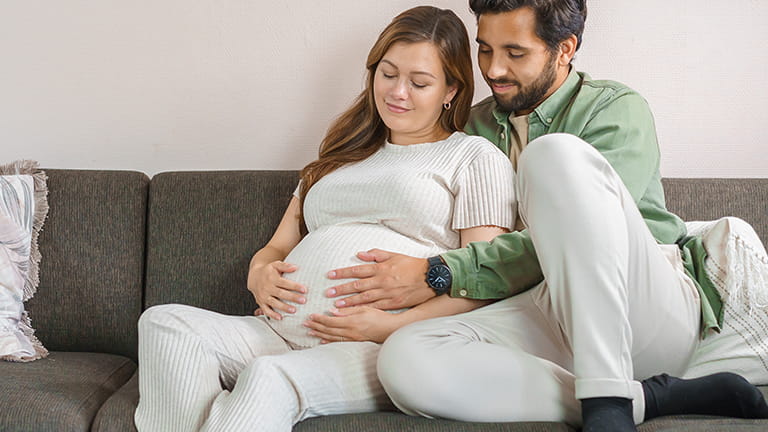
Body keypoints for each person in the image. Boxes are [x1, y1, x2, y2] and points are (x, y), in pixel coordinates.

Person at [310, 1, 768, 431]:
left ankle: (608, 404)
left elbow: (592, 236)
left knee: (553, 157)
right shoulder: (471, 129)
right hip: (539, 310)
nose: (492, 69)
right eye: (484, 49)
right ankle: (652, 398)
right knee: (404, 359)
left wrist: (440, 272)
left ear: (564, 48)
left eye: (514, 52)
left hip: (640, 306)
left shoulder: (614, 108)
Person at [134, 6, 517, 432]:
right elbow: (278, 246)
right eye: (387, 74)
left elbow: (482, 283)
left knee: (269, 378)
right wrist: (259, 273)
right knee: (164, 323)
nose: (398, 92)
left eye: (419, 82)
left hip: (378, 347)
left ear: (451, 90)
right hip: (277, 332)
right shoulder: (339, 157)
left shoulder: (474, 158)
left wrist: (388, 326)